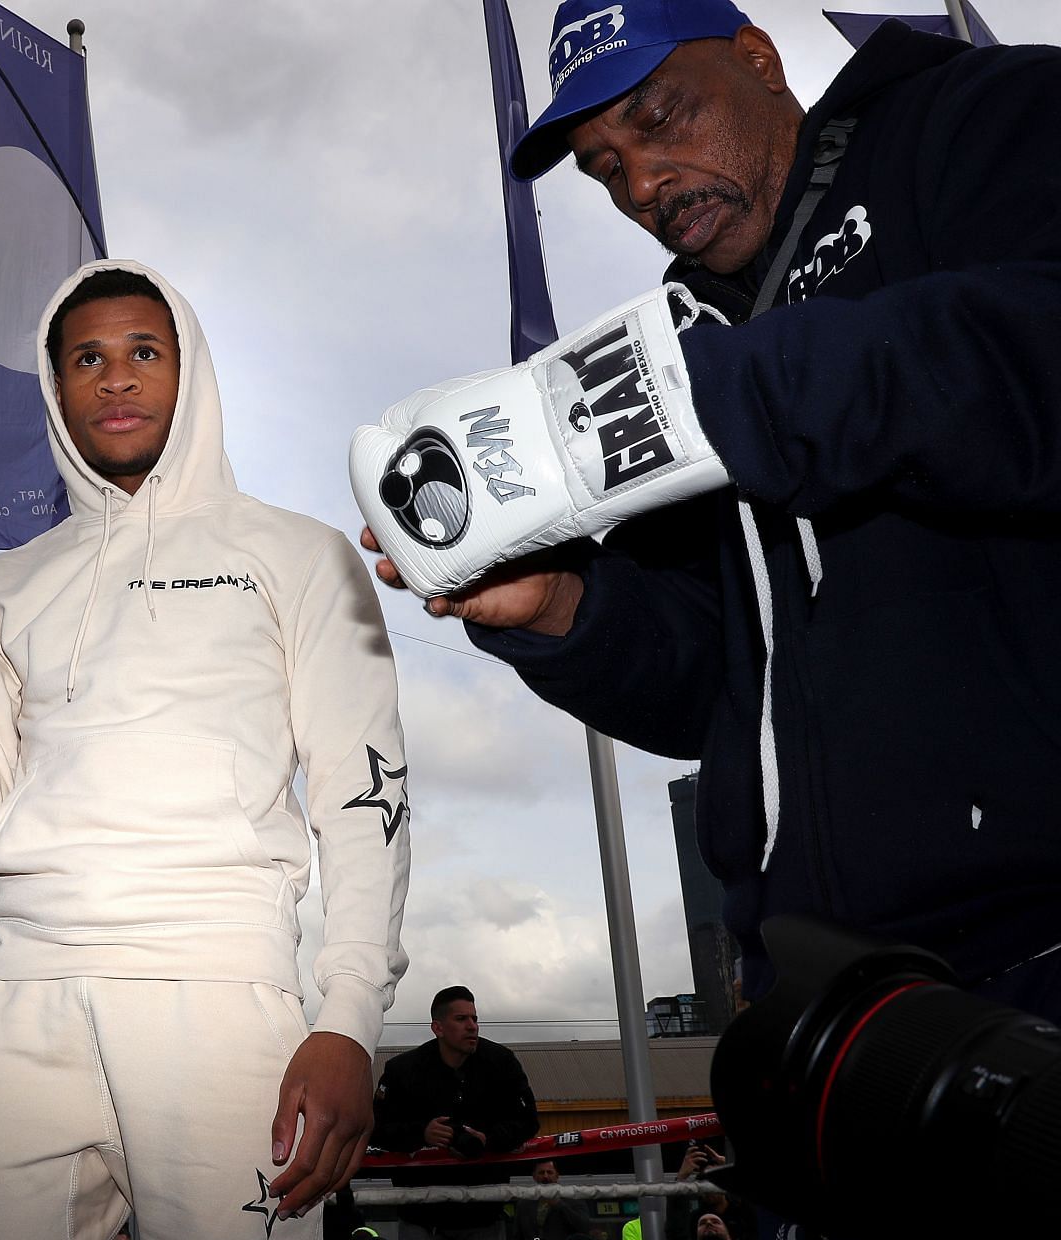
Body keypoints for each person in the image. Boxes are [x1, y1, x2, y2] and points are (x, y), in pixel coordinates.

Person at [359, 0, 1061, 1018]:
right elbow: (710, 689)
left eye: (660, 118)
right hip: (827, 1002)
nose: (641, 184)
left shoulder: (972, 119)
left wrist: (729, 394)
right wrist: (563, 607)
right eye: (604, 169)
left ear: (758, 60)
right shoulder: (682, 342)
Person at [0, 260, 412, 1240]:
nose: (115, 378)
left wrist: (351, 1021)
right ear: (55, 390)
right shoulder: (2, 584)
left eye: (144, 351)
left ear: (189, 371)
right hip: (19, 994)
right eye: (85, 358)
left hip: (220, 997)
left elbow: (363, 797)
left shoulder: (302, 555)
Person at [371, 986, 539, 1240]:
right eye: (461, 1019)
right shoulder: (403, 1070)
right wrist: (422, 1133)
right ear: (438, 1027)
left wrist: (488, 1139)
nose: (472, 1026)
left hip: (480, 1210)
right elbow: (375, 1128)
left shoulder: (501, 1062)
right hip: (422, 1212)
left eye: (475, 1018)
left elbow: (529, 1121)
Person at [506, 1161, 590, 1240]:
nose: (545, 1176)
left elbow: (584, 1226)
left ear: (557, 1176)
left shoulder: (573, 1198)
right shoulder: (524, 1204)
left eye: (549, 1172)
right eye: (541, 1172)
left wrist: (560, 1205)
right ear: (534, 1176)